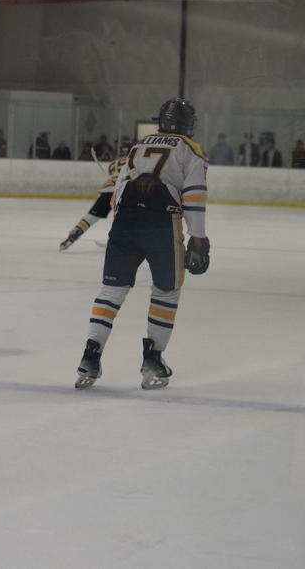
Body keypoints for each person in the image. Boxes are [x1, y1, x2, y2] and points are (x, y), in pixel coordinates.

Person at [74, 98, 210, 391]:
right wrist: (198, 238)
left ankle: (90, 355)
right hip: (162, 225)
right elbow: (194, 196)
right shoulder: (190, 150)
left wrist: (124, 226)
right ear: (188, 124)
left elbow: (118, 191)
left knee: (111, 290)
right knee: (166, 291)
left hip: (125, 223)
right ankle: (153, 360)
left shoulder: (138, 146)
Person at [60, 144, 130, 251]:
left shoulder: (113, 164)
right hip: (124, 190)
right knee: (125, 216)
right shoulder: (134, 161)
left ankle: (77, 231)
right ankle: (119, 239)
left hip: (107, 190)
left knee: (93, 215)